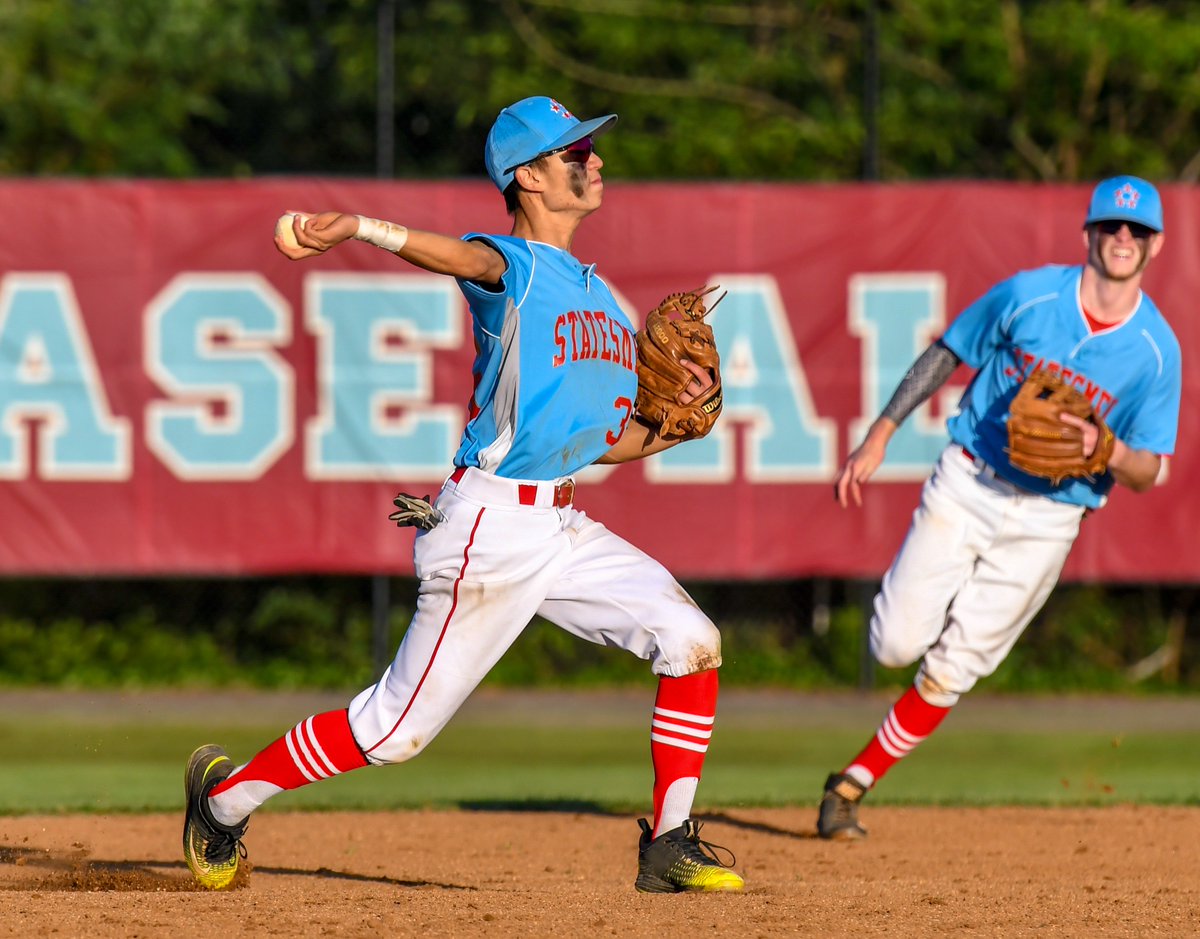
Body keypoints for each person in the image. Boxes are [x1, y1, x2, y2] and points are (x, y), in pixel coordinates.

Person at [182, 96, 744, 894]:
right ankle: (224, 803)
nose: (594, 161)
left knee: (690, 639)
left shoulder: (598, 296)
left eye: (590, 148)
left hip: (560, 520)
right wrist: (363, 228)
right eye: (573, 153)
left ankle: (670, 840)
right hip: (486, 527)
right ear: (527, 177)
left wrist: (670, 433)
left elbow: (595, 443)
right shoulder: (513, 267)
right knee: (394, 730)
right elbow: (467, 260)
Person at [818, 175, 1180, 839]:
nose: (1122, 238)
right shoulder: (1030, 293)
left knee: (957, 665)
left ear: (1155, 245)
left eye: (1137, 231)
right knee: (895, 643)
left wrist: (1107, 448)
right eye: (1111, 226)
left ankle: (851, 783)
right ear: (1089, 235)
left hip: (1050, 517)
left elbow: (1151, 469)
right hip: (969, 480)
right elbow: (948, 351)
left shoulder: (1156, 352)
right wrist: (881, 432)